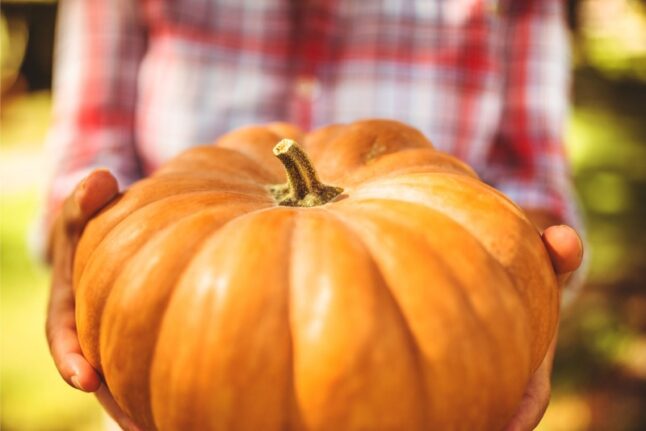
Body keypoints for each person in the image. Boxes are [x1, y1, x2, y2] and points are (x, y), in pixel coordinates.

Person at [44, 1, 584, 430]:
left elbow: (528, 169)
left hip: (440, 338)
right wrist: (89, 240)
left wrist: (524, 278)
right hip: (178, 316)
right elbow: (91, 143)